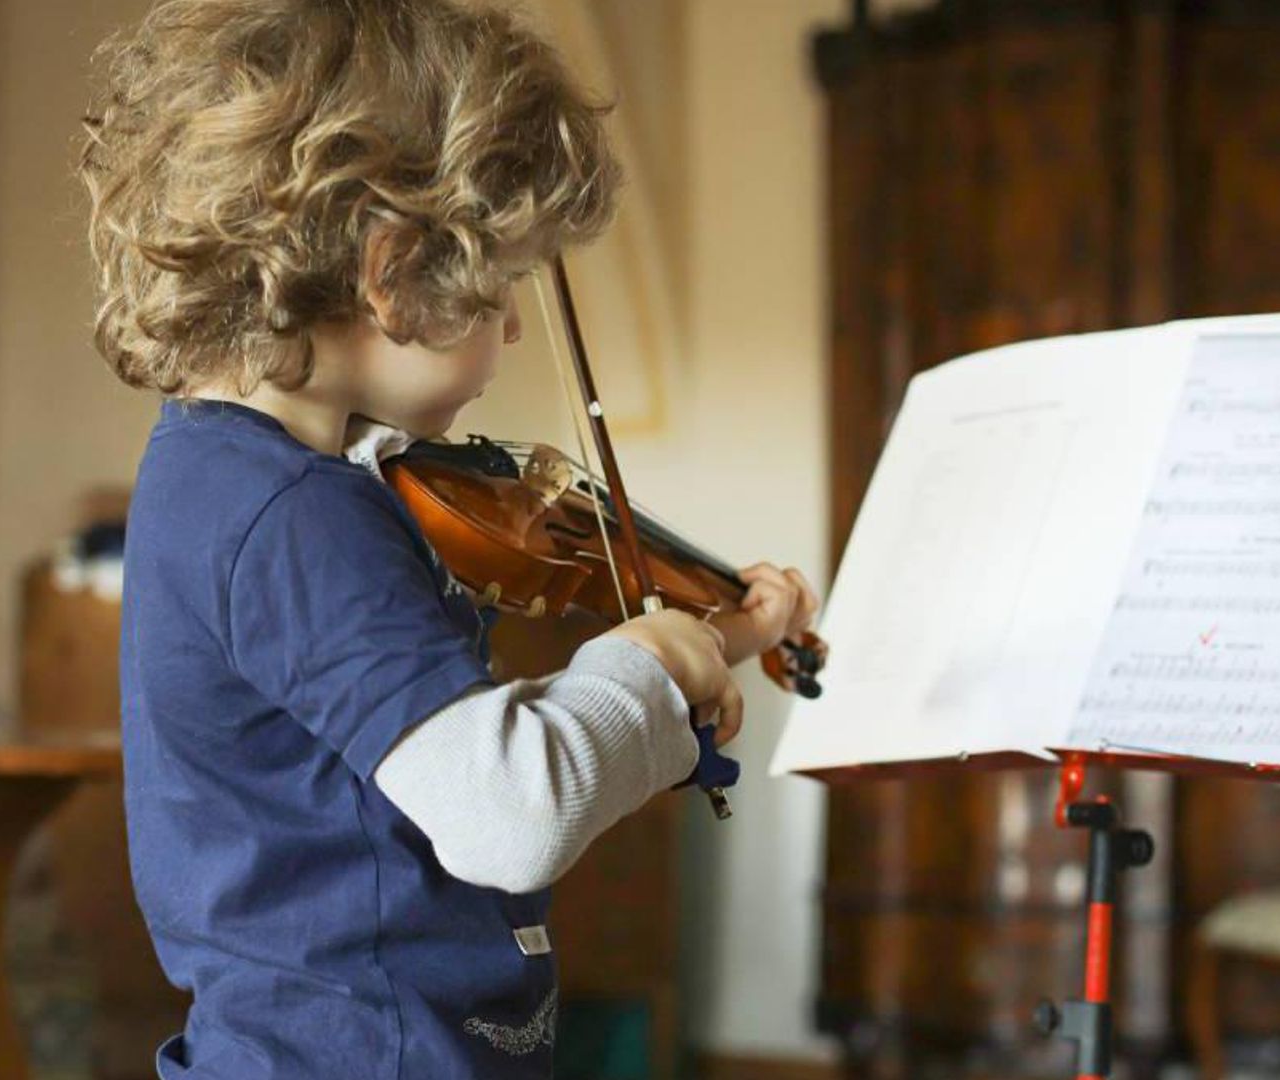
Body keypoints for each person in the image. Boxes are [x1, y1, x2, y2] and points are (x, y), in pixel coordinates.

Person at [78, 1, 818, 1076]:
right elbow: (510, 809)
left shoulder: (257, 478)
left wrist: (707, 643)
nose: (516, 325)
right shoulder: (292, 516)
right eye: (502, 281)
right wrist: (645, 665)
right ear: (391, 269)